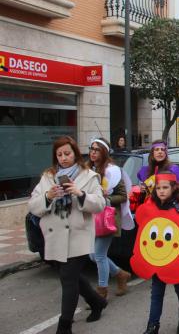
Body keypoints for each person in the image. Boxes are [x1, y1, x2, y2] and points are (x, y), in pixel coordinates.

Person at [28, 136, 108, 334]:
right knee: (70, 276)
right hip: (54, 236)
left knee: (68, 278)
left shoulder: (88, 175)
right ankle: (97, 302)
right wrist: (48, 196)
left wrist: (80, 194)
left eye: (68, 153)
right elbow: (33, 205)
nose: (64, 158)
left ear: (75, 153)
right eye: (60, 154)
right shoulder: (48, 176)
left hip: (77, 235)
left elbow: (99, 204)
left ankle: (64, 326)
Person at [131, 170, 179, 334]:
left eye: (165, 187)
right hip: (158, 258)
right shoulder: (150, 208)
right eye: (158, 188)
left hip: (176, 258)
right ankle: (152, 325)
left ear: (173, 188)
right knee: (156, 292)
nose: (161, 191)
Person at [87, 138, 132, 299]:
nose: (93, 152)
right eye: (91, 148)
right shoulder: (88, 169)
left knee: (98, 255)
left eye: (97, 149)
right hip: (91, 217)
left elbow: (122, 196)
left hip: (107, 218)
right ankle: (121, 274)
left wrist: (106, 198)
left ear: (104, 152)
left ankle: (101, 292)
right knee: (93, 255)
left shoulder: (113, 171)